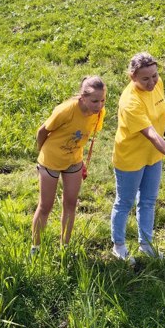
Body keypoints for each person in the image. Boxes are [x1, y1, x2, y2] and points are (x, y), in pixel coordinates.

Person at [111, 52, 165, 263]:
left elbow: (162, 106)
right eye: (145, 79)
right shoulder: (130, 102)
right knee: (125, 202)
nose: (152, 82)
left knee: (148, 201)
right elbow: (152, 135)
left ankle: (146, 244)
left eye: (154, 76)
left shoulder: (157, 84)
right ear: (132, 77)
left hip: (153, 156)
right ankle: (118, 246)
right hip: (130, 158)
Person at [31, 76, 107, 256]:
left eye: (103, 100)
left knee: (71, 203)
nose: (99, 105)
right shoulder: (65, 110)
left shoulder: (99, 113)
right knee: (46, 206)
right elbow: (42, 131)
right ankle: (35, 247)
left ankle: (64, 246)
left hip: (74, 161)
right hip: (50, 161)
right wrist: (42, 154)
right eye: (95, 101)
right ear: (83, 97)